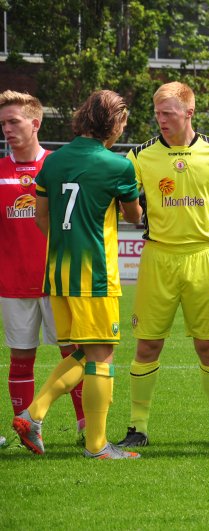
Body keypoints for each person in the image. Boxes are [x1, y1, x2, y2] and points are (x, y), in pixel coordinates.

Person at [117, 82, 209, 449]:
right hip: (158, 258)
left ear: (189, 112)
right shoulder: (139, 156)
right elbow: (116, 193)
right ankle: (137, 428)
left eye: (168, 113)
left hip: (202, 260)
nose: (161, 120)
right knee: (147, 346)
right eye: (157, 113)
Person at [12, 90, 142, 459]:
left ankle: (33, 416)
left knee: (85, 353)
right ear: (114, 123)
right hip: (96, 275)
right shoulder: (118, 165)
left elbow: (41, 217)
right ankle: (97, 445)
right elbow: (134, 216)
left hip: (58, 275)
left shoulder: (52, 163)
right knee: (102, 357)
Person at [0, 90, 85, 441]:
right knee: (21, 357)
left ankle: (86, 427)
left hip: (56, 281)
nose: (7, 129)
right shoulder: (0, 171)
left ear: (35, 123)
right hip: (12, 284)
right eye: (3, 123)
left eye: (14, 121)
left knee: (75, 354)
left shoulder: (57, 167)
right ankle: (26, 427)